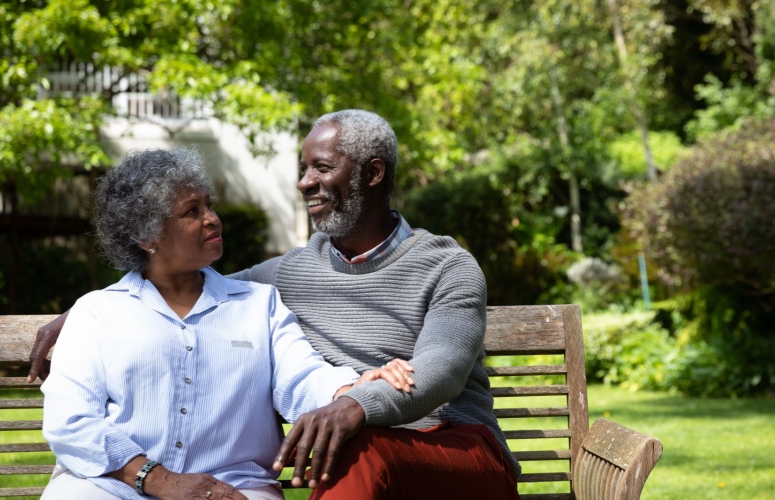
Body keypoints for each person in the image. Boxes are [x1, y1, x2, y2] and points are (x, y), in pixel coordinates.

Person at [30, 110, 521, 499]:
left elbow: (442, 370)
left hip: (449, 443)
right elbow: (193, 291)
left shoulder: (448, 266)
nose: (305, 182)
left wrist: (354, 404)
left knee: (355, 446)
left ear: (373, 173)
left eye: (322, 168)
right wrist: (84, 313)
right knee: (353, 447)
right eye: (303, 169)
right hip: (353, 441)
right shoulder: (291, 272)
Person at [38, 148, 411, 500]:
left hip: (232, 488)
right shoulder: (97, 313)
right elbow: (72, 420)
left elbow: (301, 378)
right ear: (146, 236)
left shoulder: (258, 304)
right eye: (191, 211)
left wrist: (351, 387)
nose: (212, 219)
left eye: (209, 206)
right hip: (114, 486)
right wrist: (159, 480)